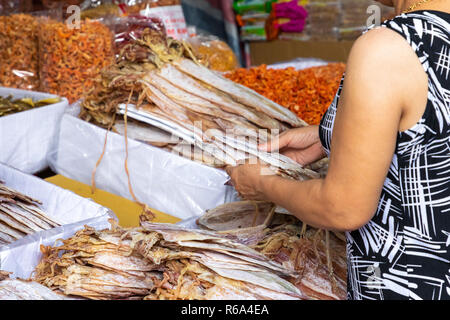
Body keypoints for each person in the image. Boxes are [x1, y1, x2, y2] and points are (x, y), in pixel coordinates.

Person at [226, 0, 450, 300]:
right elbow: (432, 132)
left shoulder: (391, 47)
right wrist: (331, 136)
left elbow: (343, 207)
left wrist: (262, 183)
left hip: (411, 286)